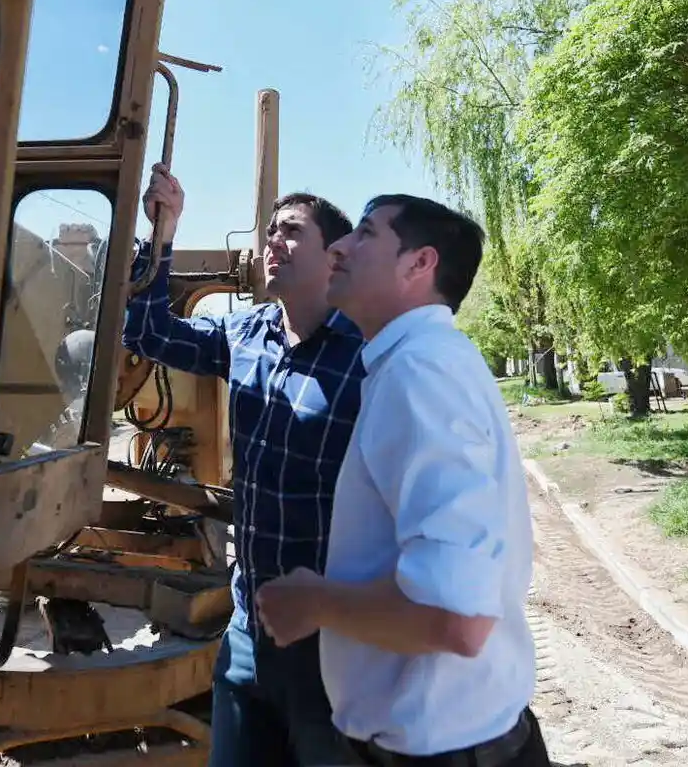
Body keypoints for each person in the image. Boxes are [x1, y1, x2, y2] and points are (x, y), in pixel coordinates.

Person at [255, 195, 552, 766]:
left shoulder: (419, 373)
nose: (339, 246)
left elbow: (456, 618)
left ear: (420, 265)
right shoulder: (418, 361)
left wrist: (313, 604)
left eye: (365, 234)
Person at [123, 164, 366, 766]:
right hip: (248, 631)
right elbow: (149, 332)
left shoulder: (370, 355)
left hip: (331, 642)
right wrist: (163, 233)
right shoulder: (248, 334)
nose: (271, 243)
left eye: (289, 231)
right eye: (268, 232)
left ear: (333, 257)